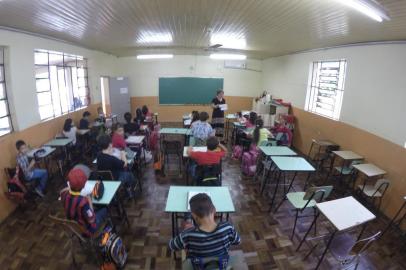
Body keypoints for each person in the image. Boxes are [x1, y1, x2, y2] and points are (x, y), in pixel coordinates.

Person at [169, 193, 240, 269]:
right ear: (214, 210)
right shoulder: (228, 227)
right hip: (221, 266)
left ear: (194, 216)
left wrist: (187, 230)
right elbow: (237, 241)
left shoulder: (187, 235)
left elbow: (172, 246)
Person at [60, 168, 107, 237]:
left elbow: (61, 191)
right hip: (87, 230)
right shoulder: (83, 202)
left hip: (74, 226)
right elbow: (92, 219)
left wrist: (70, 188)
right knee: (105, 209)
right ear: (83, 185)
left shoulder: (63, 194)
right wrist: (89, 200)